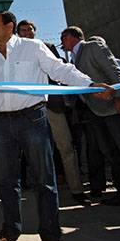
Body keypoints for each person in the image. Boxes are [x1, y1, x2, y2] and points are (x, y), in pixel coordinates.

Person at [0, 11, 110, 241]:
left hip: (33, 119)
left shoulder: (33, 48)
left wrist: (89, 84)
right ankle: (11, 229)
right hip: (1, 124)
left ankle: (50, 237)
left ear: (10, 26)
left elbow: (59, 70)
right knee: (7, 181)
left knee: (44, 181)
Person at [17, 20, 91, 206]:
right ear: (18, 33)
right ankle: (39, 189)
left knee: (65, 147)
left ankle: (77, 189)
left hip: (52, 105)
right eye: (23, 30)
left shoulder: (46, 47)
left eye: (29, 30)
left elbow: (58, 70)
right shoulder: (12, 52)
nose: (27, 33)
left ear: (35, 31)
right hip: (27, 107)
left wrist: (87, 83)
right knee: (32, 150)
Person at [61, 27, 120, 206]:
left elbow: (114, 70)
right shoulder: (72, 60)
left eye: (64, 37)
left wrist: (119, 96)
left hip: (113, 109)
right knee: (111, 153)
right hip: (95, 112)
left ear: (71, 37)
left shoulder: (93, 47)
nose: (62, 42)